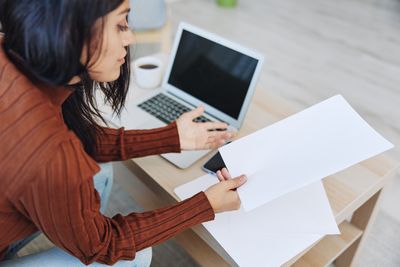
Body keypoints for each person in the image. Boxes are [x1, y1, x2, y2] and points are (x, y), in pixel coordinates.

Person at [0, 0, 247, 266]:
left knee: (100, 175)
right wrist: (205, 205)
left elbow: (78, 141)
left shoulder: (13, 50)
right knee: (134, 257)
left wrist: (172, 138)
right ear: (70, 33)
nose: (130, 37)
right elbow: (106, 245)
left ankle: (76, 229)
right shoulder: (48, 151)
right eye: (120, 25)